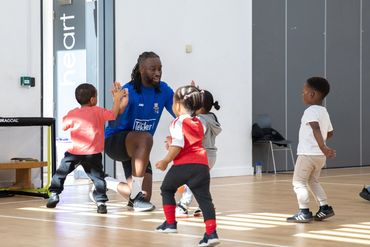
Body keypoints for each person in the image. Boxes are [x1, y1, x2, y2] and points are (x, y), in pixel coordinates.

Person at [99, 51, 175, 212]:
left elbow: (180, 112)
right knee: (145, 138)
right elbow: (112, 124)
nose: (158, 72)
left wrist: (193, 102)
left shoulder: (164, 90)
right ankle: (135, 195)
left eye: (160, 68)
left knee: (144, 198)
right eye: (152, 69)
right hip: (115, 142)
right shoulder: (128, 91)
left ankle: (105, 182)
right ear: (141, 69)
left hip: (140, 147)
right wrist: (119, 106)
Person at [155, 85, 220, 247]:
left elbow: (178, 145)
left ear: (177, 105)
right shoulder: (199, 121)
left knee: (167, 189)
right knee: (205, 200)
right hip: (202, 165)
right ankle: (211, 233)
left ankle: (170, 223)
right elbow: (191, 142)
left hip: (184, 165)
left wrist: (165, 160)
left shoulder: (177, 122)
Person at [46, 83, 125, 214]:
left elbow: (64, 126)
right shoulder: (99, 111)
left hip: (74, 153)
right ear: (93, 99)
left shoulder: (73, 113)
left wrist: (68, 118)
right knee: (98, 178)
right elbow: (113, 115)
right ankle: (101, 202)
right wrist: (117, 99)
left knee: (61, 173)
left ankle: (54, 193)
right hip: (93, 154)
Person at [287, 76, 336, 223]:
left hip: (307, 154)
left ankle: (304, 211)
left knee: (299, 182)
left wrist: (323, 146)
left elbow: (315, 128)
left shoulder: (310, 111)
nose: (302, 94)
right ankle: (324, 207)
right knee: (313, 181)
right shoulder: (324, 112)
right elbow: (330, 133)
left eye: (304, 91)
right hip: (319, 156)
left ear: (312, 94)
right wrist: (323, 148)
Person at [175, 90, 222, 217]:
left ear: (199, 107)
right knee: (200, 182)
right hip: (211, 155)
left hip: (200, 155)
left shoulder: (201, 120)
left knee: (192, 181)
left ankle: (183, 205)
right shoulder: (211, 117)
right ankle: (205, 206)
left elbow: (197, 132)